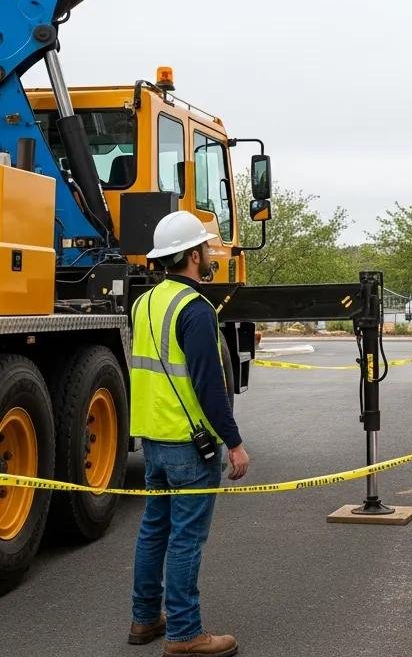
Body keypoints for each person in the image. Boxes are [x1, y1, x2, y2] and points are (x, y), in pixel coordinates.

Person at [128, 211, 250, 656]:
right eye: (204, 250)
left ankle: (145, 619)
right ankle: (184, 634)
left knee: (154, 531)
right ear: (195, 256)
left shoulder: (145, 303)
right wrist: (234, 443)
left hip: (154, 441)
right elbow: (209, 384)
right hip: (190, 444)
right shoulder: (194, 309)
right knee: (185, 539)